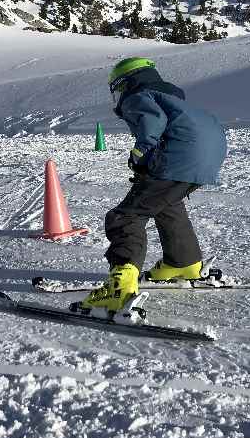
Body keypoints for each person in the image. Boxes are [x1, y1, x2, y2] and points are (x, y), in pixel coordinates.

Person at [79, 57, 227, 312]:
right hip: (206, 158)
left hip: (179, 157)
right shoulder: (172, 98)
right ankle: (183, 263)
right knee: (166, 205)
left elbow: (152, 123)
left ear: (125, 83)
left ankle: (119, 288)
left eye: (117, 89)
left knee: (125, 216)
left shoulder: (138, 95)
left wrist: (140, 155)